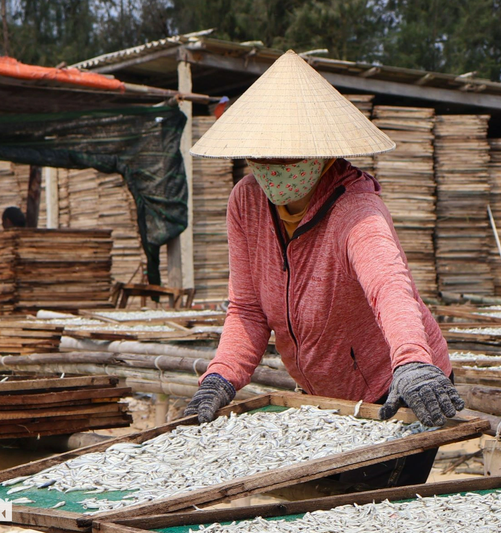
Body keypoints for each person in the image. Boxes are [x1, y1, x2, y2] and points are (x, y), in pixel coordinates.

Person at [184, 50, 463, 487]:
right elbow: (248, 309)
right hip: (324, 395)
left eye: (287, 157)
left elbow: (390, 288)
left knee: (377, 507)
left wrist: (411, 362)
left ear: (322, 154)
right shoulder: (246, 202)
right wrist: (221, 376)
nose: (274, 169)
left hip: (400, 385)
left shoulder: (358, 210)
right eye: (264, 157)